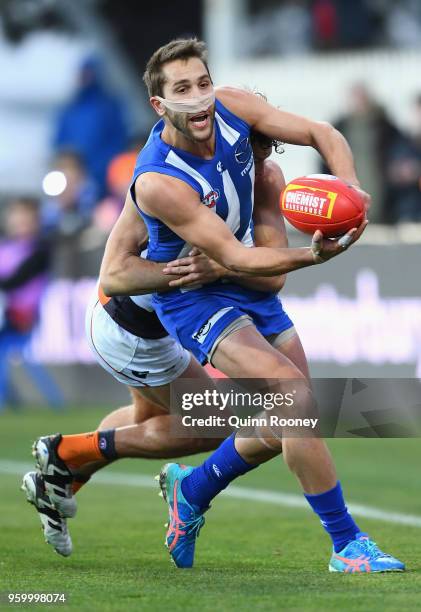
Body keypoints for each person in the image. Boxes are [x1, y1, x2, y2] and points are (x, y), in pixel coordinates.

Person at [30, 38, 403, 574]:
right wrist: (312, 256)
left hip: (230, 281)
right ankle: (346, 544)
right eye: (183, 90)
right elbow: (200, 260)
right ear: (160, 106)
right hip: (178, 301)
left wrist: (352, 192)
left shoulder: (247, 137)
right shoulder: (160, 180)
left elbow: (320, 142)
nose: (202, 99)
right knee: (280, 401)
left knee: (288, 417)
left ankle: (190, 487)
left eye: (204, 83)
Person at [21, 130, 294, 557]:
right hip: (136, 332)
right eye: (254, 145)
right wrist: (303, 255)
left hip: (135, 320)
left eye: (265, 147)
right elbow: (248, 271)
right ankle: (65, 452)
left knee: (144, 417)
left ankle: (63, 476)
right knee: (212, 424)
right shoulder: (194, 187)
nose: (259, 155)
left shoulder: (218, 178)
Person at [0, 198, 52, 408]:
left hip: (22, 317)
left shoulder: (39, 251)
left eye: (25, 218)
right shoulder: (5, 246)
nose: (20, 222)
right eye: (16, 216)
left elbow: (15, 281)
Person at [53, 56, 129, 194]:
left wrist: (100, 168)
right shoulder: (70, 108)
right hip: (71, 175)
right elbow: (59, 142)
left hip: (102, 176)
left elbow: (118, 141)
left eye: (88, 73)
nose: (84, 77)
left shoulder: (110, 106)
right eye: (82, 74)